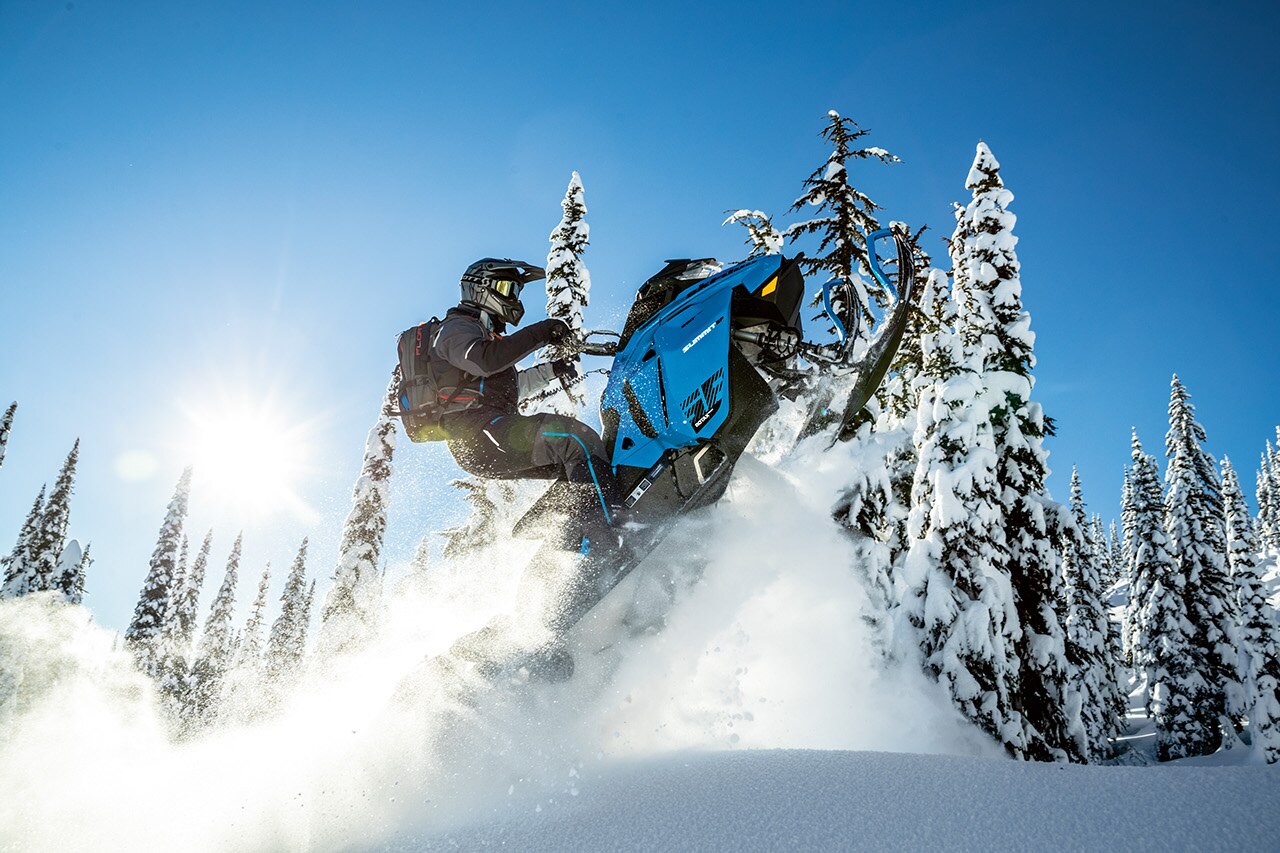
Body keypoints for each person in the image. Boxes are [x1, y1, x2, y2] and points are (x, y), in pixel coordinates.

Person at [426, 257, 624, 551]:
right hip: (478, 433)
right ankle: (611, 542)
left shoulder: (481, 335)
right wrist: (542, 332)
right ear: (479, 289)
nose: (513, 298)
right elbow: (485, 360)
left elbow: (508, 387)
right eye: (507, 288)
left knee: (575, 466)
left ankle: (564, 546)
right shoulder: (456, 328)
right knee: (576, 439)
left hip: (487, 431)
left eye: (516, 291)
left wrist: (553, 370)